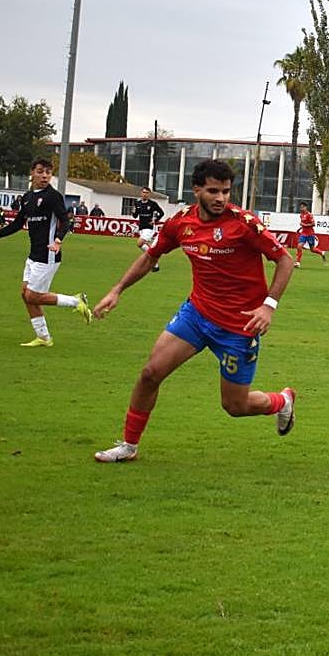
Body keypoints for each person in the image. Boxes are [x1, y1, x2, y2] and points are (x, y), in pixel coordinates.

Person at [90, 160, 297, 463]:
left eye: (226, 191)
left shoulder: (243, 224)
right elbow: (151, 256)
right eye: (213, 191)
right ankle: (129, 445)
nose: (221, 198)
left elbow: (285, 260)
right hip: (197, 316)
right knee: (150, 373)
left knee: (235, 406)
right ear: (197, 189)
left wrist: (268, 306)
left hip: (239, 327)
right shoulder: (181, 222)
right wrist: (117, 289)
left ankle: (282, 401)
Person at [0, 159, 93, 346]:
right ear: (32, 173)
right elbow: (19, 223)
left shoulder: (53, 196)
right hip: (34, 254)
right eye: (41, 171)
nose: (45, 176)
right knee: (25, 294)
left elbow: (66, 221)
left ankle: (76, 302)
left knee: (33, 296)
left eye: (48, 172)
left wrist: (58, 240)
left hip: (48, 254)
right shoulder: (27, 197)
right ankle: (43, 337)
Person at [132, 187, 166, 273]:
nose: (145, 194)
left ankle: (154, 260)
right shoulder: (137, 203)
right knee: (144, 245)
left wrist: (155, 220)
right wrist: (133, 211)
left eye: (147, 193)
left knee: (140, 243)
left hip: (149, 228)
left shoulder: (152, 204)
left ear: (149, 194)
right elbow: (135, 216)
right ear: (141, 193)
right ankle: (155, 262)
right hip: (141, 228)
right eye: (143, 192)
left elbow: (161, 213)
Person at [294, 201, 326, 265]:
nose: (301, 208)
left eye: (302, 207)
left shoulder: (309, 215)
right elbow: (303, 224)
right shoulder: (301, 215)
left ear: (306, 207)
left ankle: (321, 252)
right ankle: (298, 262)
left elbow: (313, 224)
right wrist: (300, 228)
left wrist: (304, 225)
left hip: (310, 234)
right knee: (299, 246)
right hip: (303, 234)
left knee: (312, 249)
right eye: (300, 207)